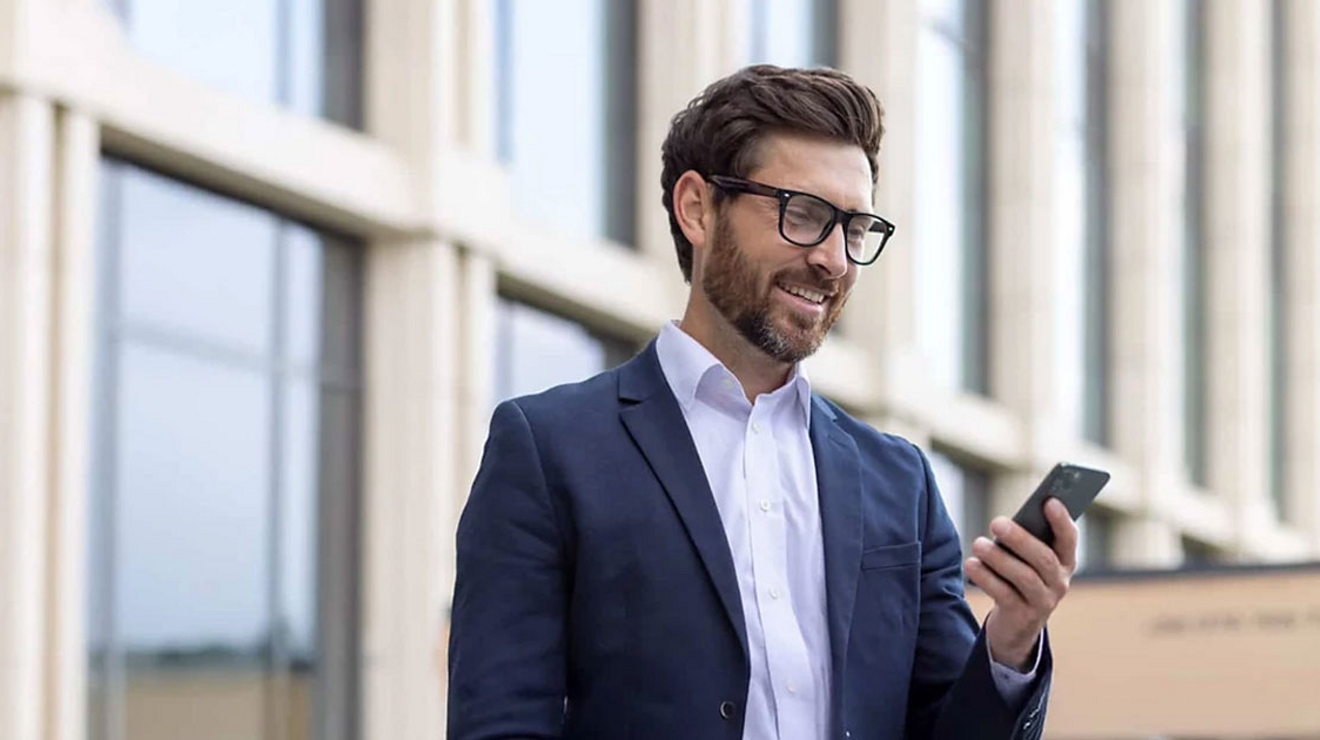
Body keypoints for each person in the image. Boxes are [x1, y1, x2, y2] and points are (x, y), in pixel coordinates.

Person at [448, 64, 1077, 740]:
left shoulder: (900, 482)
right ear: (697, 208)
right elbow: (501, 723)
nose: (835, 260)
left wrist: (1010, 643)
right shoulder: (549, 450)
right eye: (804, 215)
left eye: (854, 229)